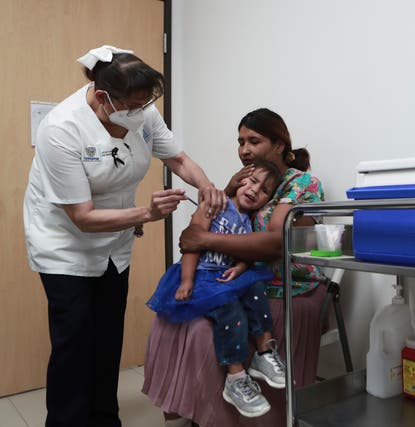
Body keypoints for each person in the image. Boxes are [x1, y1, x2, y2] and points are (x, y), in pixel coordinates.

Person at [22, 45, 226, 427]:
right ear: (103, 97)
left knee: (107, 335)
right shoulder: (61, 128)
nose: (141, 112)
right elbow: (81, 217)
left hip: (114, 243)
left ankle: (104, 418)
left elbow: (177, 158)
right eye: (133, 105)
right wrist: (147, 213)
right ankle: (67, 420)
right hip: (65, 245)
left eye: (146, 103)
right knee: (74, 341)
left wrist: (207, 186)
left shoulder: (142, 111)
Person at [143, 108, 327, 427]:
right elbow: (191, 237)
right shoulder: (245, 183)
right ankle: (198, 413)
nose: (244, 150)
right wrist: (226, 193)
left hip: (285, 284)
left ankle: (236, 407)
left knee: (206, 330)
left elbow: (274, 243)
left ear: (280, 144)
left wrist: (206, 239)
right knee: (178, 321)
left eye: (253, 141)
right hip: (231, 281)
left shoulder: (302, 184)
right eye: (240, 142)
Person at [146, 159, 285, 418]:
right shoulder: (215, 204)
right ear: (239, 179)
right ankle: (235, 377)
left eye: (264, 190)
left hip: (224, 276)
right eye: (253, 181)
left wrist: (242, 267)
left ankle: (263, 354)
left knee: (255, 286)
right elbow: (192, 243)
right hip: (201, 276)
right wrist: (187, 281)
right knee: (231, 311)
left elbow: (247, 251)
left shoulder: (250, 220)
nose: (255, 190)